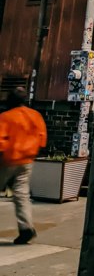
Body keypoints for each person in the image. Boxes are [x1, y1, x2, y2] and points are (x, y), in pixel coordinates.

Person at [0, 87, 47, 244]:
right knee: (21, 195)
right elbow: (42, 139)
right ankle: (26, 227)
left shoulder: (5, 117)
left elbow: (1, 142)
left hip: (7, 160)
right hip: (27, 160)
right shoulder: (35, 116)